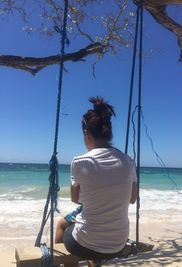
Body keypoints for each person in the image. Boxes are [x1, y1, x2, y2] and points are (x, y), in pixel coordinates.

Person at [55, 96, 137, 267]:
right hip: (118, 244)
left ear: (86, 132)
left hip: (84, 243)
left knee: (62, 225)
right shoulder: (128, 161)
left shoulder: (80, 162)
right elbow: (132, 199)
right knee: (91, 236)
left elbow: (75, 199)